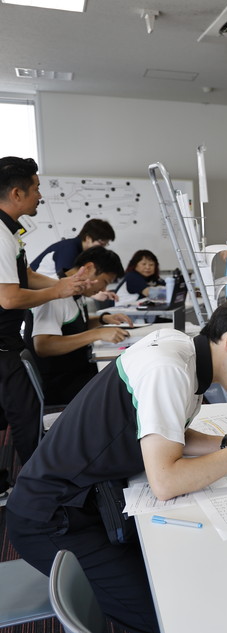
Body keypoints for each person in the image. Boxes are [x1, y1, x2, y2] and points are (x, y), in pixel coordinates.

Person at [6, 299, 227, 633]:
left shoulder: (179, 350)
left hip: (88, 499)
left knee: (186, 572)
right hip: (52, 517)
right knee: (168, 615)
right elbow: (166, 482)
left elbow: (167, 433)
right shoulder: (168, 370)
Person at [0, 156, 89, 478]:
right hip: (2, 346)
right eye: (36, 188)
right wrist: (58, 292)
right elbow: (10, 298)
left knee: (20, 414)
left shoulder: (9, 232)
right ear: (17, 193)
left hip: (8, 342)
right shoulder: (0, 234)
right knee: (26, 417)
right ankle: (36, 485)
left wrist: (65, 286)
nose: (40, 196)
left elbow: (26, 275)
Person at [29, 246, 132, 405]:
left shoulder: (77, 291)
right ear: (89, 268)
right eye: (105, 282)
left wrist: (104, 319)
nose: (103, 289)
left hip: (78, 372)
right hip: (61, 384)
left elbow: (74, 324)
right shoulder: (56, 294)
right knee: (123, 391)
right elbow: (43, 346)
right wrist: (97, 334)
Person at [30, 218, 115, 279]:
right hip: (33, 290)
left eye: (105, 244)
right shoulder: (69, 248)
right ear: (88, 238)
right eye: (101, 243)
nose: (102, 248)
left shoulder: (80, 251)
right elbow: (66, 280)